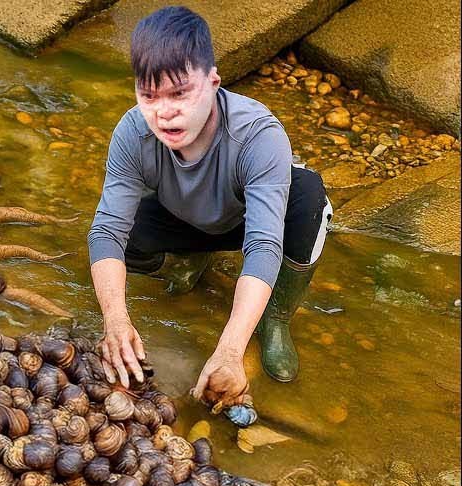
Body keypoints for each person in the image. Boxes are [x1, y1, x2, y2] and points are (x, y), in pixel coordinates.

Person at [87, 6, 331, 410]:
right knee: (121, 239)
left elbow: (264, 244)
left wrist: (230, 351)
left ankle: (277, 318)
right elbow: (106, 231)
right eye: (149, 95)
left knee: (310, 201)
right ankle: (191, 259)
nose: (164, 112)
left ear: (213, 82)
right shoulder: (132, 131)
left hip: (247, 216)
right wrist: (115, 320)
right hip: (184, 213)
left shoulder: (258, 134)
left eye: (180, 93)